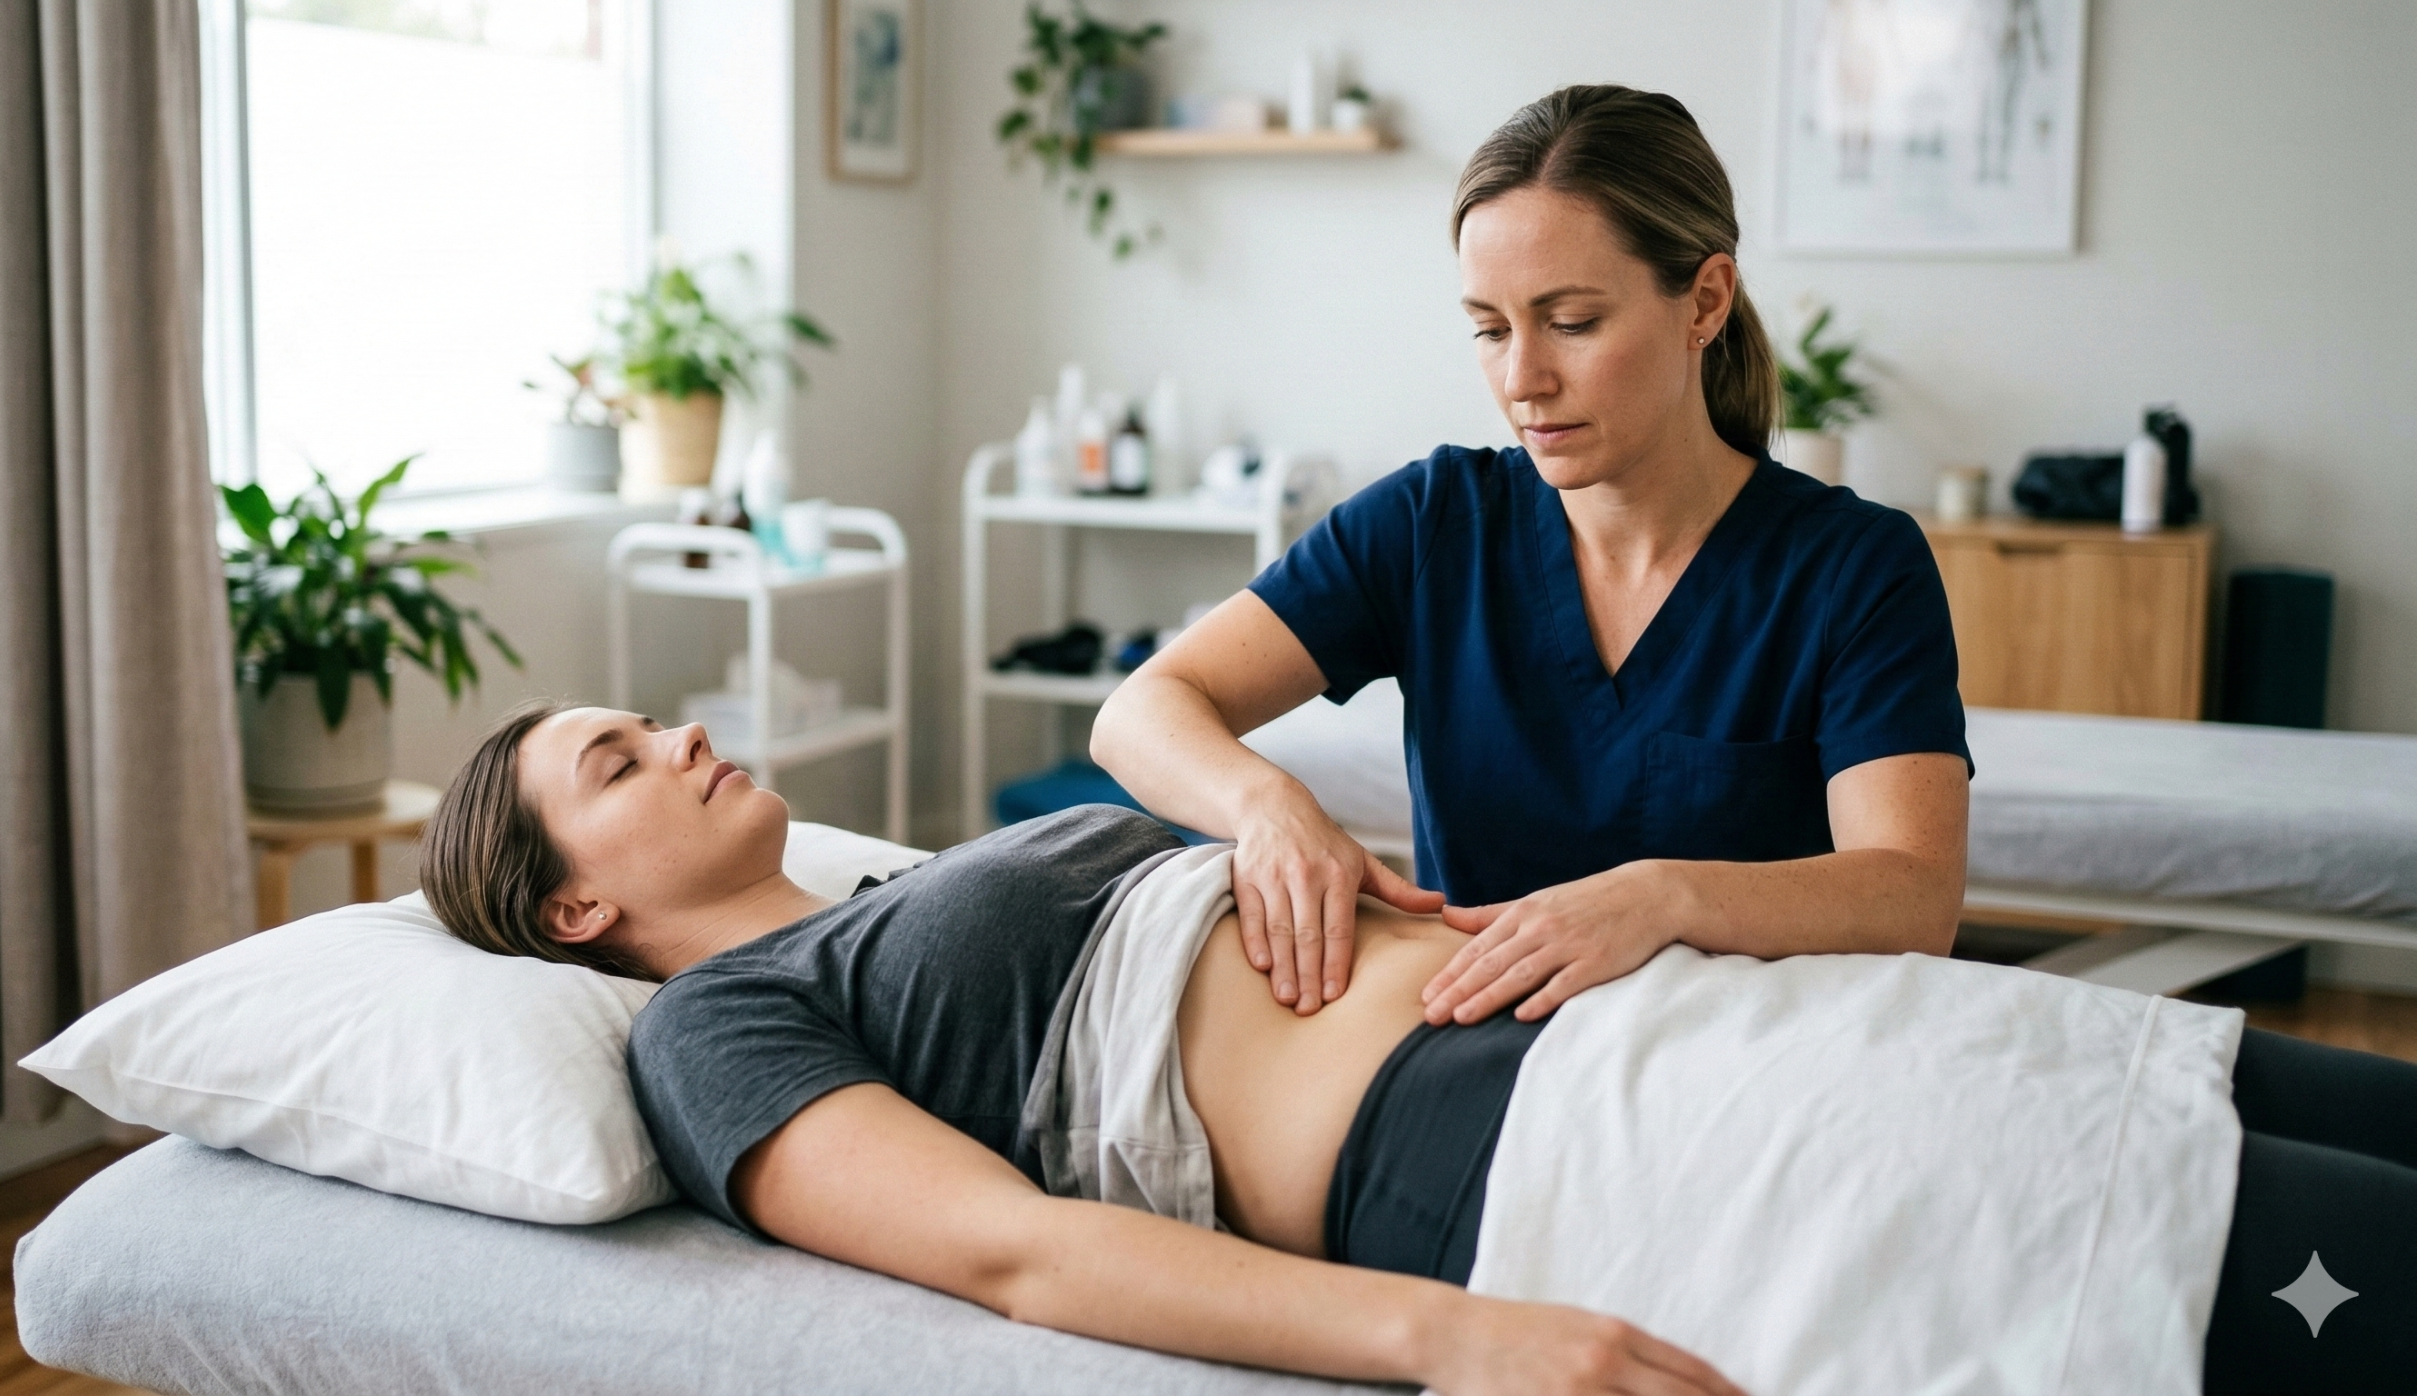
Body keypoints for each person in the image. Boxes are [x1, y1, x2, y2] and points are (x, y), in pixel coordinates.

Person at [421, 704, 2417, 1396]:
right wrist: (1450, 1333)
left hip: (1667, 1002)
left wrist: (1270, 823)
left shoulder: (898, 883)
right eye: (615, 760)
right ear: (570, 901)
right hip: (1503, 1134)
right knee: (2317, 1262)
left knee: (2286, 1101)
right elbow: (1006, 1251)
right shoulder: (716, 1027)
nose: (675, 736)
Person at [1091, 85, 1971, 1027]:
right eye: (1490, 327)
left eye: (1573, 322)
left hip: (1742, 1073)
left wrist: (1665, 899)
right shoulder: (1433, 524)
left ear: (1705, 301)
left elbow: (1912, 894)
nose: (1522, 381)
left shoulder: (1854, 567)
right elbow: (1139, 713)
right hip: (1483, 1074)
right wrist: (1268, 805)